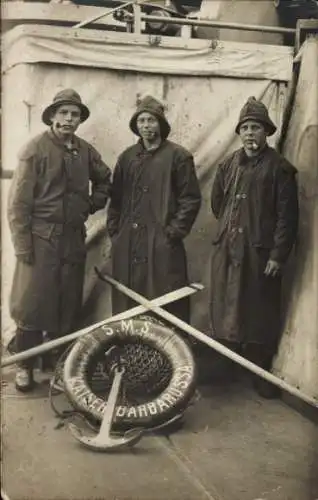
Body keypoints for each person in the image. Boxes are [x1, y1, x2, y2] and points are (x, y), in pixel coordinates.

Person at [8, 89, 112, 392]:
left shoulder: (85, 150)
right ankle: (25, 365)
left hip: (72, 239)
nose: (69, 119)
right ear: (52, 116)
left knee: (66, 302)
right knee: (31, 302)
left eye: (75, 114)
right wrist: (23, 245)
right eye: (64, 113)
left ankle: (55, 363)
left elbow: (105, 178)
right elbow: (17, 204)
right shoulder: (34, 150)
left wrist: (94, 202)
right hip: (40, 238)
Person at [209, 96, 299, 398]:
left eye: (256, 127)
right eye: (245, 127)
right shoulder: (227, 164)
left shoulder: (280, 169)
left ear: (267, 132)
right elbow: (217, 203)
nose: (250, 133)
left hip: (259, 252)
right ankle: (226, 369)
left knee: (259, 310)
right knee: (227, 307)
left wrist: (277, 255)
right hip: (229, 248)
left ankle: (259, 373)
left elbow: (288, 218)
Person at [107, 95, 201, 324]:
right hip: (128, 243)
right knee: (128, 304)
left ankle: (167, 356)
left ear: (161, 124)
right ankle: (128, 354)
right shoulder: (127, 158)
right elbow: (116, 200)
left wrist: (172, 233)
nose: (146, 126)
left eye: (151, 120)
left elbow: (190, 199)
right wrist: (116, 233)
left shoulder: (178, 156)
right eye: (141, 121)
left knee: (164, 301)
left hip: (161, 244)